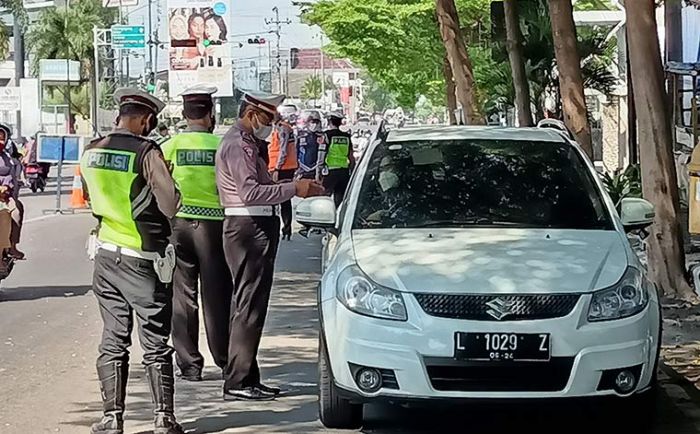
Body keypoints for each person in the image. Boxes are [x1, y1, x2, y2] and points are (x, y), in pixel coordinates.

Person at [81, 88, 185, 434]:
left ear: (118, 116)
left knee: (113, 337)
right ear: (145, 119)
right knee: (154, 340)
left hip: (106, 255)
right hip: (144, 260)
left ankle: (112, 418)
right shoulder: (146, 151)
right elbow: (170, 204)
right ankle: (163, 418)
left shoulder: (92, 150)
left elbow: (88, 197)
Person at [215, 91, 324, 401]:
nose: (271, 125)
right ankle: (238, 380)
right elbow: (250, 193)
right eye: (267, 118)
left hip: (254, 225)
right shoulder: (238, 144)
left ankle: (247, 375)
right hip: (248, 225)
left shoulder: (247, 143)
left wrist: (294, 187)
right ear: (251, 113)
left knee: (251, 306)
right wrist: (294, 188)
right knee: (248, 306)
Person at [161, 84, 232, 383]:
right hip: (214, 227)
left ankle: (189, 364)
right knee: (217, 295)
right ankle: (226, 359)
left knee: (182, 296)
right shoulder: (221, 146)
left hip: (178, 226)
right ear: (211, 114)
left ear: (184, 114)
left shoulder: (170, 145)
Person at [268, 114, 298, 240]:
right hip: (281, 167)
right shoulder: (279, 127)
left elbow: (283, 150)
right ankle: (285, 228)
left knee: (280, 198)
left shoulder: (283, 128)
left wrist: (277, 168)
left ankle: (285, 227)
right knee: (282, 199)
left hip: (282, 168)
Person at [0, 124, 24, 260]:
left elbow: (11, 177)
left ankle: (12, 246)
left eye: (2, 138)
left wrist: (6, 188)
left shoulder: (8, 158)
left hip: (5, 196)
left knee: (16, 212)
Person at [322, 112, 355, 207]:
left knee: (324, 198)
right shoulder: (346, 136)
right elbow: (351, 156)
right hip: (344, 172)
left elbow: (322, 153)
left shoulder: (327, 135)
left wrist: (319, 170)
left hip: (331, 172)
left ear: (329, 122)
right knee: (340, 199)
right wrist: (352, 171)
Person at [296, 111, 324, 180]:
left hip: (317, 168)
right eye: (312, 122)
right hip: (303, 168)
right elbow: (296, 151)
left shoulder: (322, 136)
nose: (314, 124)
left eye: (316, 122)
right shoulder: (301, 135)